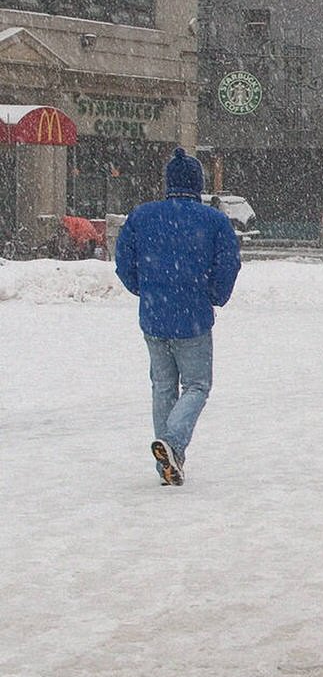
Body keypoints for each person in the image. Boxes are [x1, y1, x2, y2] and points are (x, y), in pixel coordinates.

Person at [115, 147, 242, 486]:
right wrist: (215, 295)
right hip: (193, 318)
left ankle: (169, 464)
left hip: (154, 315)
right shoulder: (213, 221)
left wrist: (142, 288)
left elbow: (123, 258)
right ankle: (172, 444)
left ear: (168, 183)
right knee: (198, 385)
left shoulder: (142, 216)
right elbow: (229, 263)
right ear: (197, 184)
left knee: (163, 387)